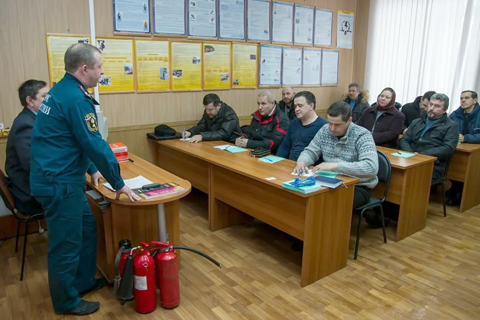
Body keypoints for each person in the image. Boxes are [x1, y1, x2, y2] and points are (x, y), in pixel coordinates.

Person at [30, 43, 141, 316]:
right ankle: (66, 301)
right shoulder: (76, 98)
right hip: (59, 183)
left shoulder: (63, 90)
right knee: (65, 246)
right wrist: (119, 183)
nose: (101, 71)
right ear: (85, 68)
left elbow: (73, 139)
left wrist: (92, 168)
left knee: (86, 230)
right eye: (100, 66)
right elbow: (94, 142)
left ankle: (81, 282)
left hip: (60, 179)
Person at [294, 101, 379, 209]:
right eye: (330, 123)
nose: (332, 128)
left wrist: (335, 166)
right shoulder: (325, 129)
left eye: (337, 125)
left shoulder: (362, 134)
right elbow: (311, 150)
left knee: (328, 203)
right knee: (305, 197)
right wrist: (302, 161)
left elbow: (371, 167)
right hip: (329, 180)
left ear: (349, 121)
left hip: (357, 186)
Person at [4, 80, 49, 215]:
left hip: (36, 186)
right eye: (45, 96)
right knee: (76, 197)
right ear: (30, 101)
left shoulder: (35, 119)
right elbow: (32, 165)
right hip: (29, 195)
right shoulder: (25, 125)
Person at [399, 93, 459, 181]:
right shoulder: (417, 122)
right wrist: (410, 154)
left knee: (412, 176)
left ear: (444, 110)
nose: (431, 108)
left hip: (433, 164)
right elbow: (405, 139)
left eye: (437, 106)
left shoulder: (451, 126)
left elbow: (448, 148)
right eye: (431, 104)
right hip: (409, 158)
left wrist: (421, 155)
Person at [446, 90, 479, 205]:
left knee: (464, 170)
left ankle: (460, 192)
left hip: (476, 152)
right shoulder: (455, 114)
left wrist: (466, 138)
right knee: (453, 167)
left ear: (474, 100)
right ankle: (456, 188)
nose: (463, 100)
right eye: (461, 98)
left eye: (466, 98)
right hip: (458, 148)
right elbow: (446, 126)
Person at [277, 91, 327, 161]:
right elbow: (285, 147)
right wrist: (278, 162)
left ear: (311, 106)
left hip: (311, 168)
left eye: (300, 106)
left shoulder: (324, 126)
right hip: (291, 164)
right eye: (295, 106)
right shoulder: (293, 124)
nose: (296, 109)